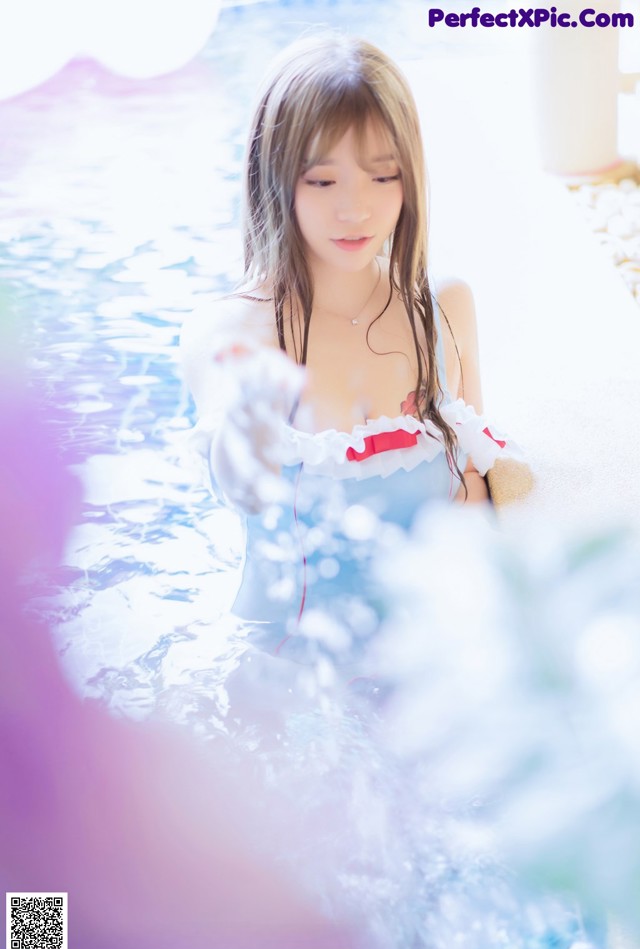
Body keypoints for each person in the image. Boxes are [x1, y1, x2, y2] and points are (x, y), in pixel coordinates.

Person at [181, 33, 517, 668]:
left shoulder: (443, 308)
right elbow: (235, 477)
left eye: (382, 175)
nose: (355, 207)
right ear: (275, 179)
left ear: (409, 176)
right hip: (290, 667)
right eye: (322, 179)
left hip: (433, 658)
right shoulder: (232, 332)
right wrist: (248, 424)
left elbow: (475, 494)